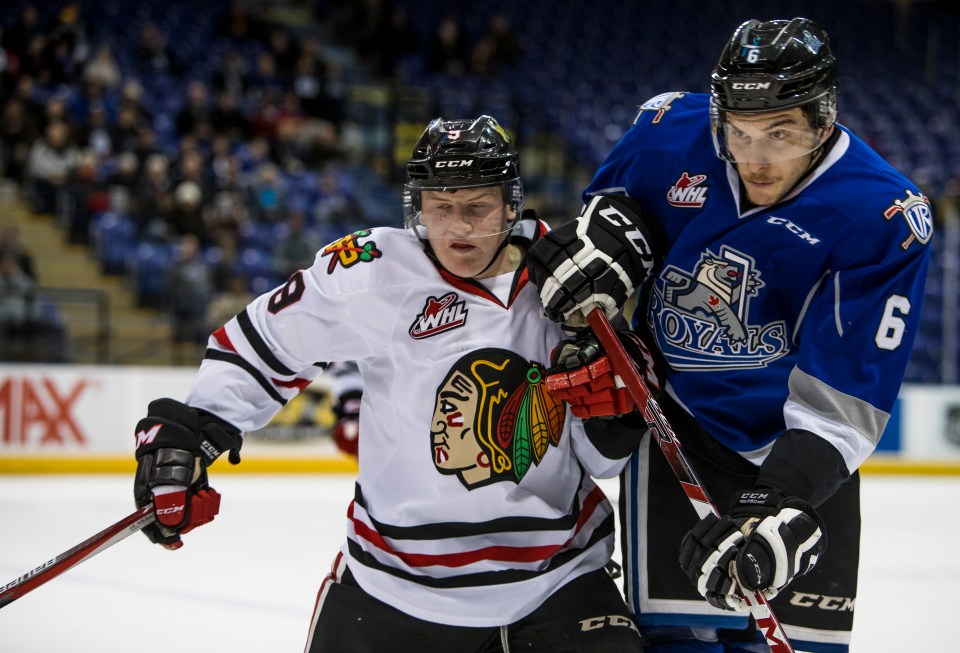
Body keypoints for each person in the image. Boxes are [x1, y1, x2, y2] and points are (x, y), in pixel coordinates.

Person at [130, 115, 646, 652]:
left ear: (511, 204)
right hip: (392, 593)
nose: (458, 228)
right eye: (439, 208)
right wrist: (197, 428)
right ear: (416, 206)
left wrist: (614, 415)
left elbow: (603, 456)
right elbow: (260, 345)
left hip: (554, 581)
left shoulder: (571, 275)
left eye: (477, 207)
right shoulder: (372, 270)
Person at [526, 17, 932, 653]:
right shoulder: (668, 133)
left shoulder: (880, 216)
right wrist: (606, 247)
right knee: (678, 645)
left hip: (800, 455)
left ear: (823, 121)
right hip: (677, 425)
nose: (756, 157)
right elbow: (612, 206)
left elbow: (844, 401)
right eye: (739, 133)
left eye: (781, 133)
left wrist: (776, 504)